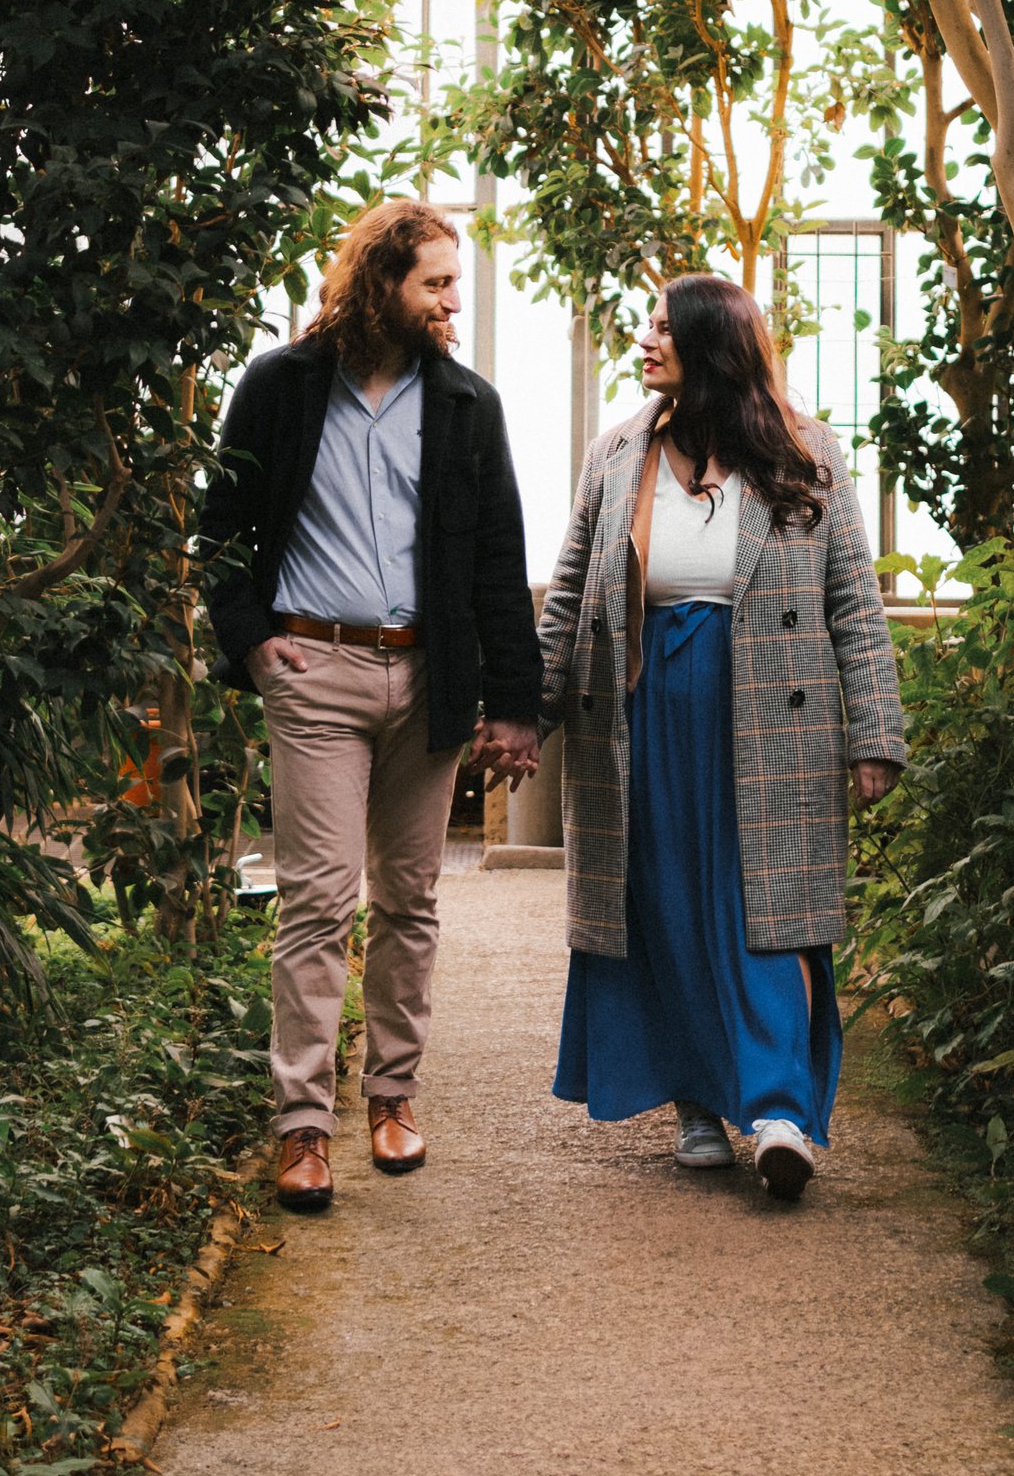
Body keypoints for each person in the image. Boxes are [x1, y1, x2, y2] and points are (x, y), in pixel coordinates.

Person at [203, 198, 541, 1216]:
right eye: (435, 283)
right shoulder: (280, 385)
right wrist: (252, 641)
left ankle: (392, 1095)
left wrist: (513, 703)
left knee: (411, 899)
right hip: (314, 670)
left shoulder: (467, 404)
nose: (451, 303)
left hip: (429, 677)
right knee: (317, 900)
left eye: (453, 284)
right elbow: (220, 524)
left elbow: (499, 556)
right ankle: (302, 1125)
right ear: (380, 282)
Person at [538, 272, 905, 1203]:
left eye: (664, 328)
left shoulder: (806, 451)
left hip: (773, 710)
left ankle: (780, 1113)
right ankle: (697, 1106)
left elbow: (854, 603)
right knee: (662, 901)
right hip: (642, 707)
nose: (646, 340)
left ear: (710, 344)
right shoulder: (617, 454)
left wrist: (874, 732)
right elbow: (570, 594)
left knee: (766, 908)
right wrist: (524, 716)